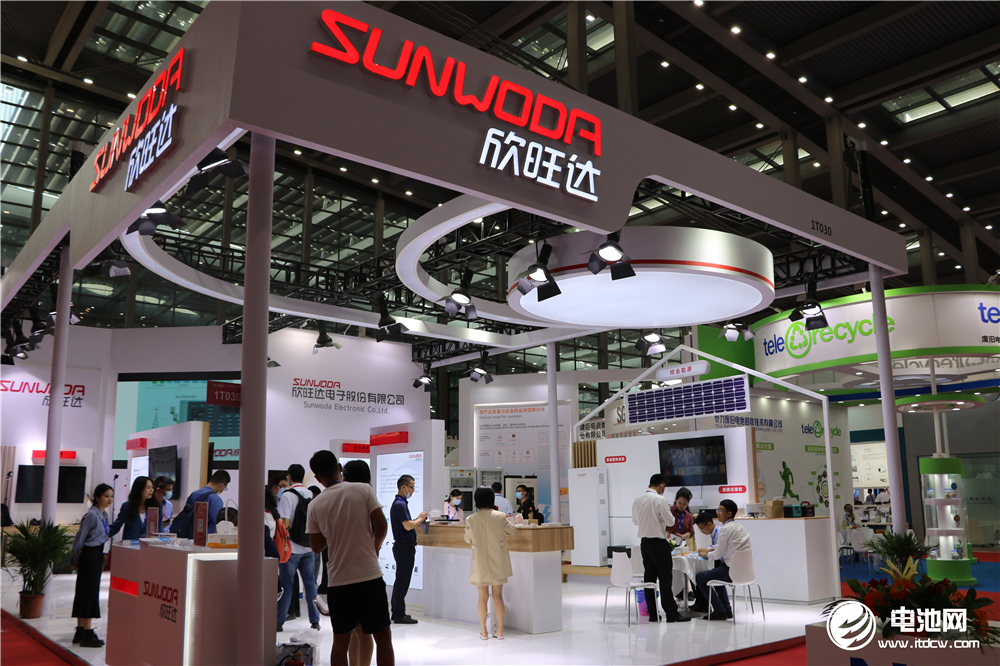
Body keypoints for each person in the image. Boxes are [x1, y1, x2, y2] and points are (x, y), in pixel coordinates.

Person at [306, 450, 394, 666]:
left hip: (338, 581)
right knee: (383, 637)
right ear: (339, 468)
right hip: (368, 575)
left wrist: (334, 533)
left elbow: (316, 547)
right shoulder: (363, 489)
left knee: (340, 641)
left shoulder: (315, 504)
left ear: (317, 477)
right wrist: (374, 547)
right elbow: (381, 524)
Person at [631, 474, 689, 623]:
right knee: (665, 579)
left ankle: (653, 614)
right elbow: (670, 521)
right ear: (662, 485)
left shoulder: (637, 500)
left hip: (645, 543)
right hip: (659, 544)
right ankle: (671, 613)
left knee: (649, 579)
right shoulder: (659, 499)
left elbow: (635, 521)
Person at [464, 486, 517, 639]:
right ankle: (500, 631)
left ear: (476, 500)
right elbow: (512, 530)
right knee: (498, 597)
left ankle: (483, 632)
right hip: (498, 560)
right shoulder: (500, 516)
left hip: (480, 561)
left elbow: (467, 539)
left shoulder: (471, 519)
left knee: (482, 598)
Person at [693, 499, 752, 620]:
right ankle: (727, 610)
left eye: (720, 510)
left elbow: (717, 555)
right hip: (747, 572)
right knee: (716, 576)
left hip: (730, 571)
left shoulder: (725, 529)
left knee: (700, 578)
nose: (717, 513)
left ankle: (719, 610)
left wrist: (706, 555)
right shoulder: (741, 528)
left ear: (729, 513)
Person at [278, 464, 320, 631]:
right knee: (310, 584)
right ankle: (315, 620)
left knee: (287, 587)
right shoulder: (311, 494)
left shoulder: (287, 496)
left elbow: (286, 522)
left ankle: (278, 622)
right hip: (308, 547)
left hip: (291, 548)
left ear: (289, 476)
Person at [341, 460, 375, 666]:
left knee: (354, 631)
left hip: (344, 571)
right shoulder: (367, 495)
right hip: (365, 571)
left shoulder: (341, 497)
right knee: (363, 631)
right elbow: (380, 526)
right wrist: (374, 551)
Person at [72, 483, 113, 648]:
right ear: (97, 498)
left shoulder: (104, 515)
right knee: (87, 592)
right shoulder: (91, 515)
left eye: (111, 496)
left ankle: (80, 630)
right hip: (90, 555)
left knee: (87, 591)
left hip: (98, 555)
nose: (109, 499)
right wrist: (75, 558)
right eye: (106, 496)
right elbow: (80, 538)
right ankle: (87, 633)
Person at [389, 475, 427, 624]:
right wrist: (420, 518)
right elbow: (407, 525)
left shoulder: (400, 503)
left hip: (404, 546)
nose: (412, 490)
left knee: (402, 580)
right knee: (402, 581)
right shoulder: (399, 504)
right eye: (411, 487)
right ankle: (398, 613)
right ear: (404, 486)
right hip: (404, 547)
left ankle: (398, 611)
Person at [172, 470, 230, 537]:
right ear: (221, 484)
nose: (223, 490)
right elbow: (218, 523)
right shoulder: (215, 499)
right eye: (225, 488)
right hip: (206, 538)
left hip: (188, 535)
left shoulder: (194, 494)